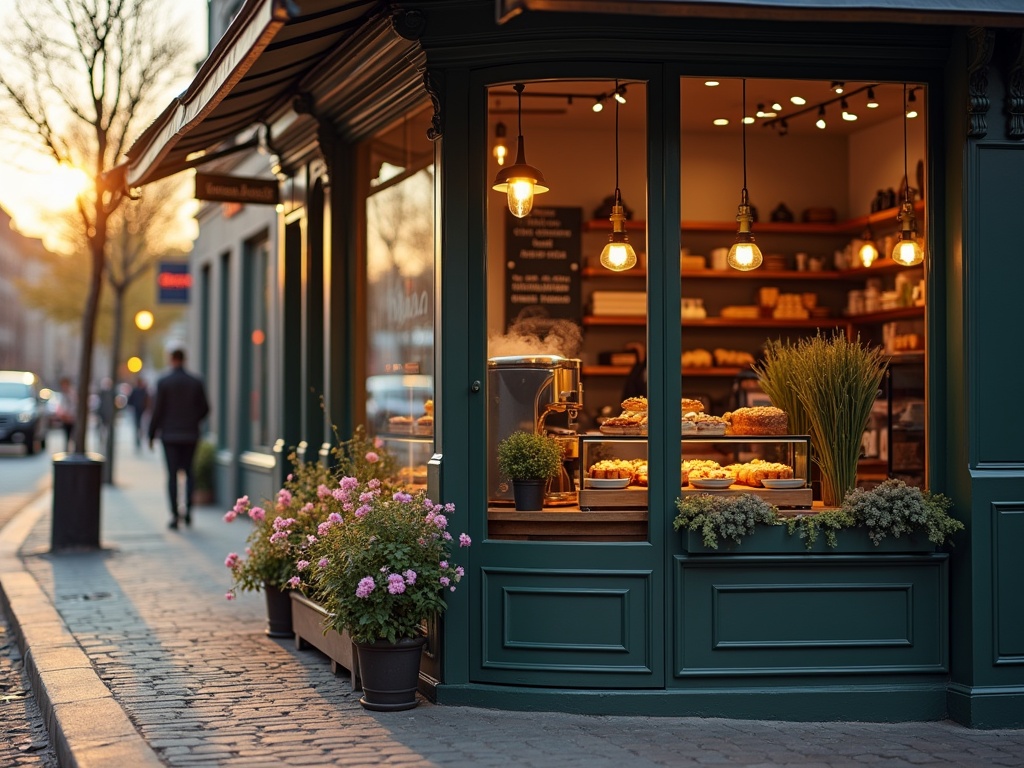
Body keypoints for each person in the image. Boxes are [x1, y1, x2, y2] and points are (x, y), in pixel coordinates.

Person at [148, 349, 210, 530]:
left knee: (172, 475)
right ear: (184, 359)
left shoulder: (164, 382)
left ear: (171, 360)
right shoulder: (196, 382)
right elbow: (205, 408)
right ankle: (189, 512)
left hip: (170, 436)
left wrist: (151, 434)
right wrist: (193, 420)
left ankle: (175, 515)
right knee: (189, 473)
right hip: (190, 435)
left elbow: (157, 410)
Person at [127, 376, 150, 451]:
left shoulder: (141, 390)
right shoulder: (142, 390)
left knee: (139, 426)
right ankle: (139, 440)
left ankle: (139, 440)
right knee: (139, 426)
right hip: (140, 410)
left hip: (140, 410)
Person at [54, 377, 77, 452]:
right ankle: (67, 451)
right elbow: (60, 406)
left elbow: (74, 406)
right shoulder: (62, 395)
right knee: (66, 437)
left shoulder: (72, 394)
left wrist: (70, 415)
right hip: (65, 419)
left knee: (73, 437)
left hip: (72, 419)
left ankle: (74, 451)